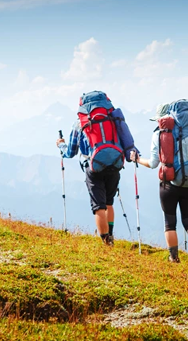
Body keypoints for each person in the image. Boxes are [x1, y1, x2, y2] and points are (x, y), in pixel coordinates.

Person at [131, 102, 188, 268]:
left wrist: (137, 159)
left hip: (169, 185)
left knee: (170, 223)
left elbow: (153, 163)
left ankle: (173, 259)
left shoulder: (160, 133)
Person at [56, 91, 138, 247]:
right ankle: (111, 235)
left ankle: (107, 243)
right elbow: (127, 142)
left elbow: (70, 152)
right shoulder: (114, 117)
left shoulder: (80, 122)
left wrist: (61, 145)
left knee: (98, 206)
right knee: (109, 203)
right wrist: (133, 157)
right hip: (114, 165)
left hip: (93, 168)